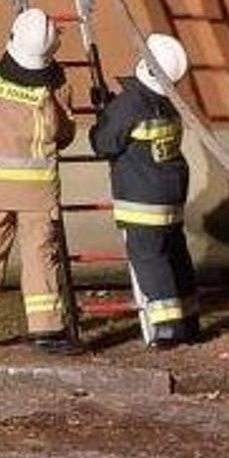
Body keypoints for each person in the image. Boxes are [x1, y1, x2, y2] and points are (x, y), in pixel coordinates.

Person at [0, 8, 84, 355]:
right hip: (35, 191)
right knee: (39, 256)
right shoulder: (53, 87)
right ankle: (47, 330)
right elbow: (64, 133)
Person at [90, 33, 199, 348]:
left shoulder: (130, 104)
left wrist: (104, 115)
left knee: (149, 258)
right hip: (170, 194)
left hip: (141, 199)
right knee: (175, 254)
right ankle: (188, 318)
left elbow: (104, 143)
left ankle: (168, 327)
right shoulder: (167, 103)